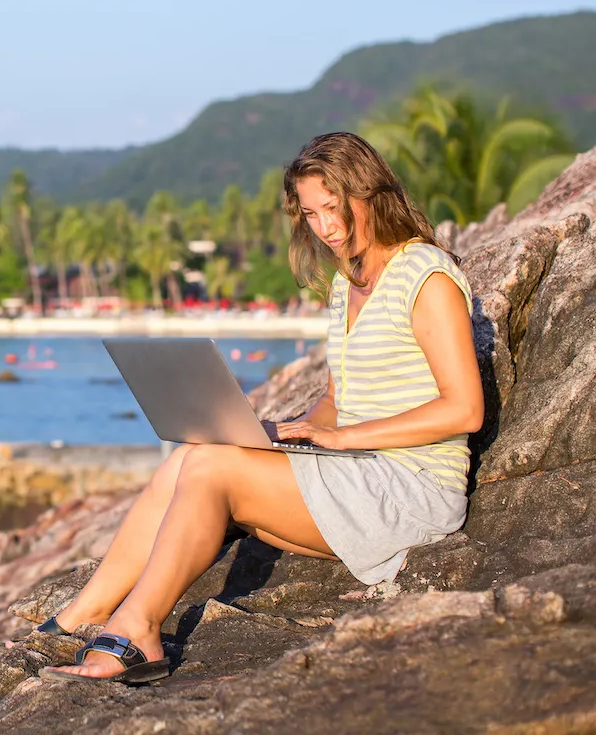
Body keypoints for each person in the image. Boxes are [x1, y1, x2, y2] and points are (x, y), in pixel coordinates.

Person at [36, 132, 483, 685]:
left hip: (412, 488)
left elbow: (464, 409)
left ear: (370, 193)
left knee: (211, 468)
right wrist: (275, 435)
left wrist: (344, 438)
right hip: (360, 472)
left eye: (335, 207)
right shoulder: (349, 279)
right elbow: (340, 400)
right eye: (312, 213)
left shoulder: (427, 277)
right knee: (194, 453)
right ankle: (85, 613)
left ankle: (139, 629)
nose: (327, 227)